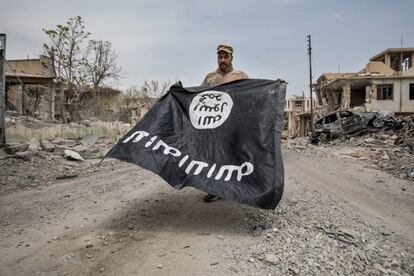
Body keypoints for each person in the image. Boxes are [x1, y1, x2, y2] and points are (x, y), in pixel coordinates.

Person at [201, 44, 249, 202]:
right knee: (215, 156)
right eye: (220, 57)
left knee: (234, 156)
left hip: (235, 123)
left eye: (225, 57)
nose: (222, 60)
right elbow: (198, 97)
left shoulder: (240, 75)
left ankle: (235, 188)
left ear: (231, 58)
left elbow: (255, 92)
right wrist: (178, 92)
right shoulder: (210, 78)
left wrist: (274, 86)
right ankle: (216, 189)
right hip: (215, 125)